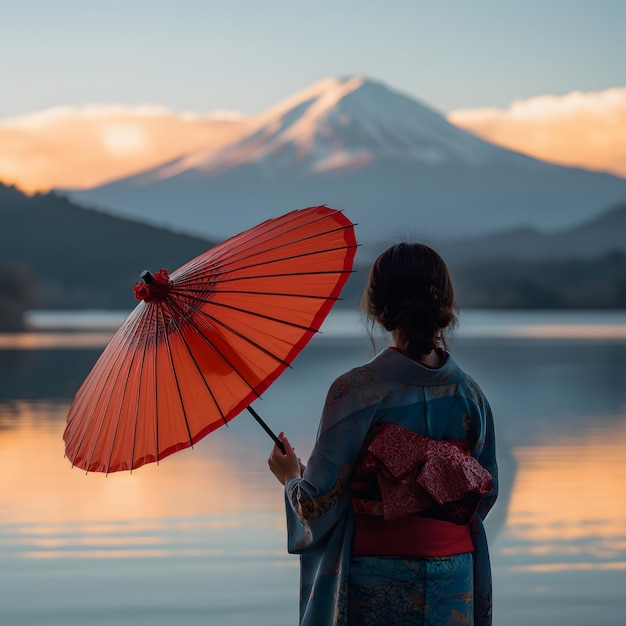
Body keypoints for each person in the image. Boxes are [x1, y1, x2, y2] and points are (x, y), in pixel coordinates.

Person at [268, 242, 498, 626]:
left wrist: (291, 476)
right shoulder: (470, 395)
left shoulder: (356, 392)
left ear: (378, 310)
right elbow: (484, 496)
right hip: (455, 574)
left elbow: (317, 504)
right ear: (444, 306)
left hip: (377, 578)